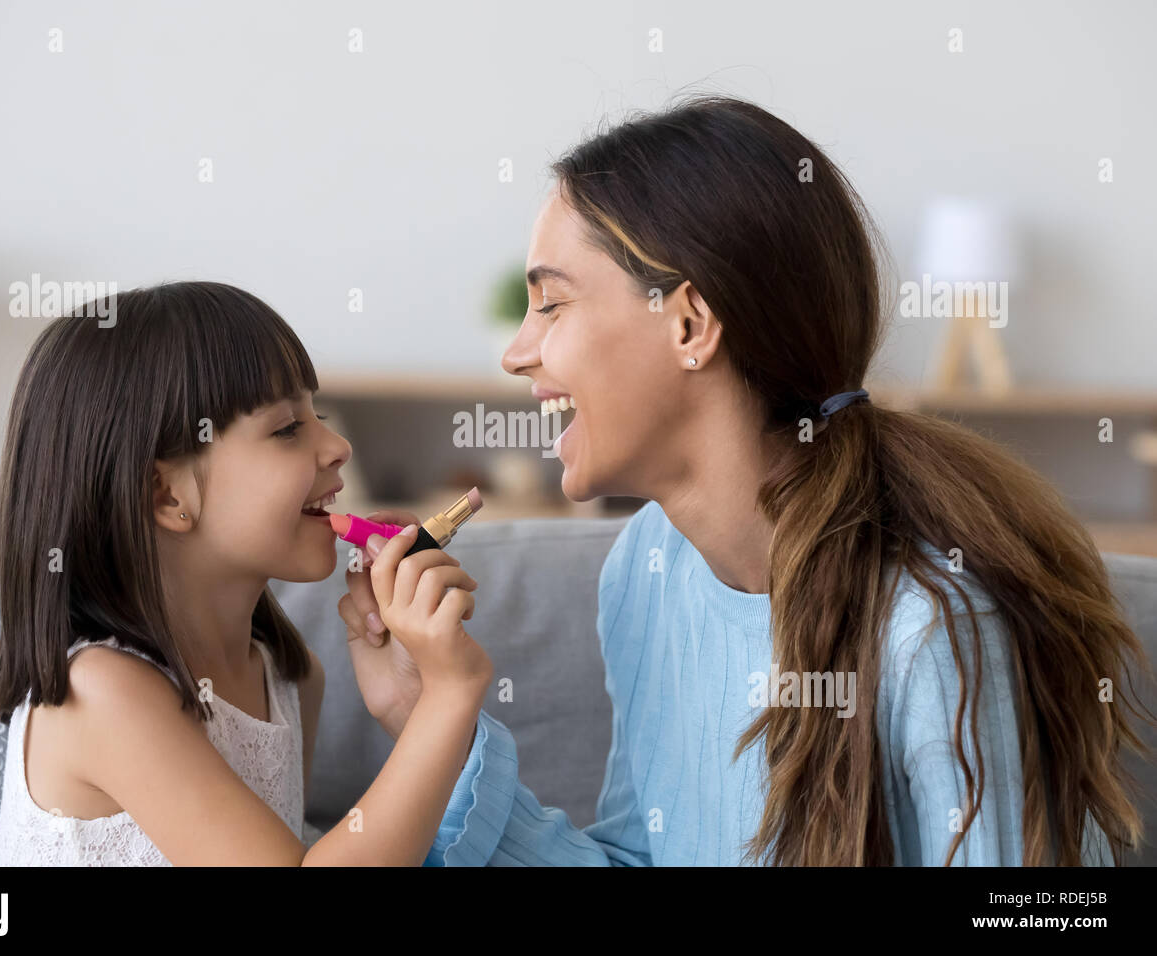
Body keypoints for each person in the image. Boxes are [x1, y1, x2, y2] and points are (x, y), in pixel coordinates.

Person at [339, 95, 1154, 865]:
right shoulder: (647, 569)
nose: (516, 353)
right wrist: (428, 716)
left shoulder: (933, 627)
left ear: (689, 324)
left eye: (550, 306)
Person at [0, 280, 492, 865]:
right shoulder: (102, 693)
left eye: (316, 414)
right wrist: (448, 694)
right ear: (167, 495)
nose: (338, 445)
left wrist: (411, 697)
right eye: (288, 428)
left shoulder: (291, 680)